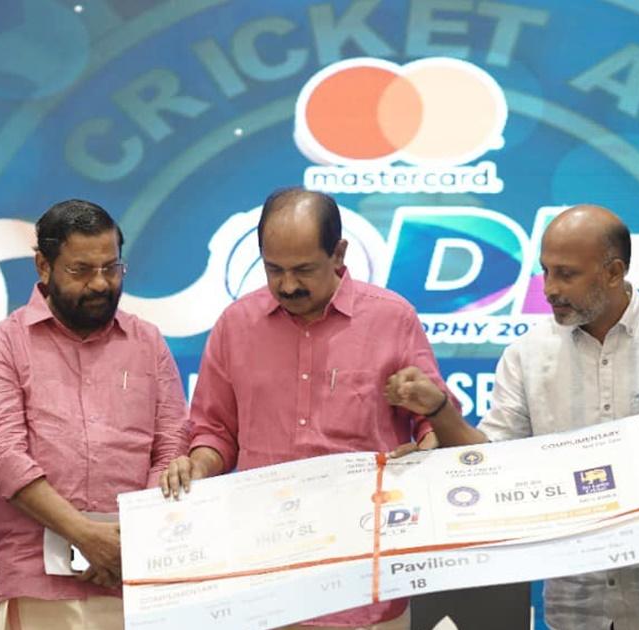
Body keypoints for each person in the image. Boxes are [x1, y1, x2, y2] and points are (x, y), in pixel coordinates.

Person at [385, 204, 639, 630]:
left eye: (566, 274)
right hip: (576, 606)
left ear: (614, 272)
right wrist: (439, 411)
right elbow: (491, 462)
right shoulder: (526, 356)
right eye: (545, 271)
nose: (549, 289)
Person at [162, 187, 452, 630]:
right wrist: (198, 467)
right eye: (273, 269)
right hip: (265, 580)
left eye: (303, 270)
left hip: (368, 582)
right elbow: (216, 431)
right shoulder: (236, 325)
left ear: (339, 254)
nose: (288, 285)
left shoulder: (393, 319)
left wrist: (426, 451)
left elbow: (432, 421)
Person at [0, 199, 188, 629]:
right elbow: (2, 459)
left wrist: (129, 541)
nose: (100, 283)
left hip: (135, 582)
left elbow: (172, 448)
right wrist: (86, 536)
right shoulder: (1, 347)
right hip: (36, 586)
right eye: (81, 270)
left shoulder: (148, 343)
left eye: (111, 268)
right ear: (43, 266)